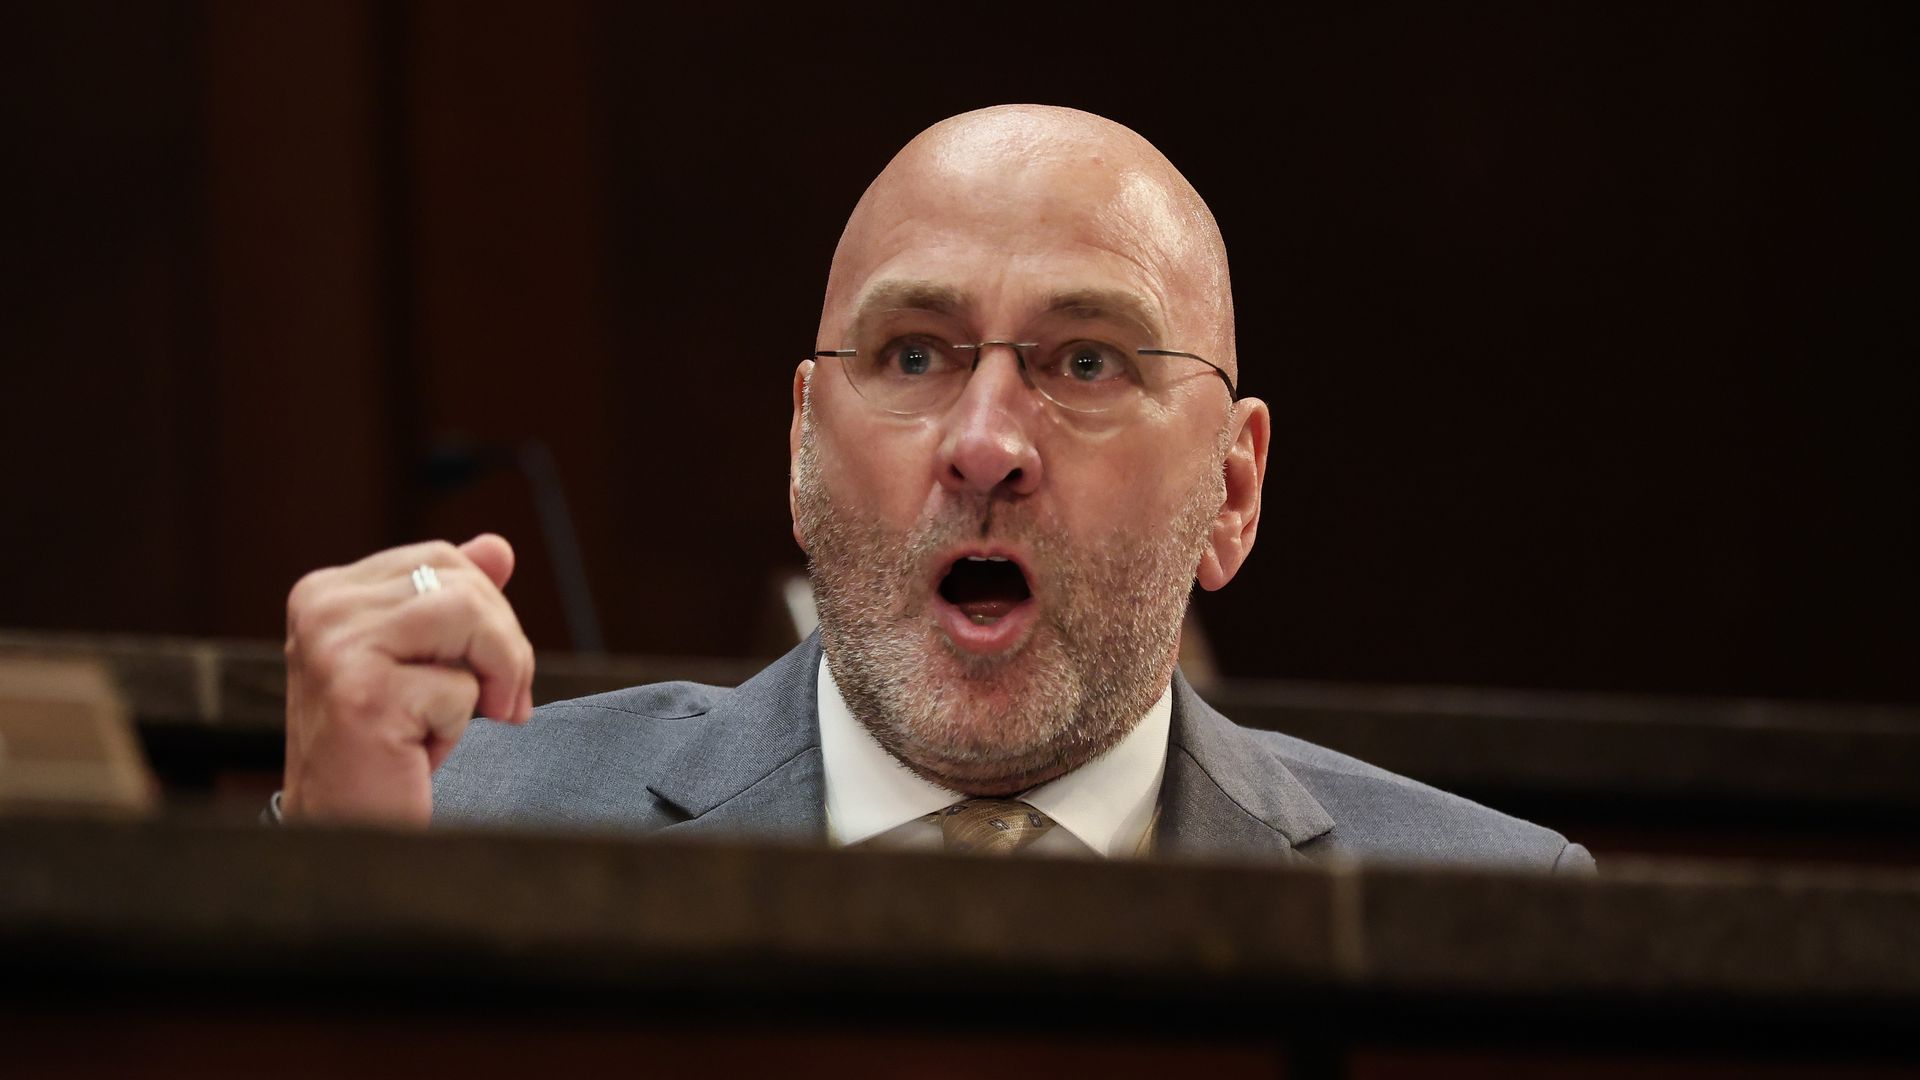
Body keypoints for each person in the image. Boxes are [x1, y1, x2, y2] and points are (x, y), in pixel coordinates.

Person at [277, 105, 1593, 870]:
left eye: (1085, 359)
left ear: (1233, 488)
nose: (984, 442)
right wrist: (328, 924)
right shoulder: (456, 835)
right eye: (913, 354)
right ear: (802, 449)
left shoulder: (1493, 906)